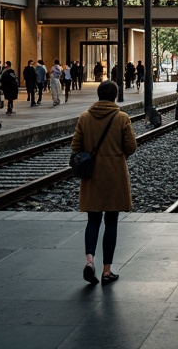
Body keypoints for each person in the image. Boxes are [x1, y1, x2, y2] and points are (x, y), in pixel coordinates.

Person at [73, 81, 137, 284]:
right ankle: (107, 270)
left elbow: (75, 147)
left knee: (93, 221)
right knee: (111, 221)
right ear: (115, 96)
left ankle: (90, 261)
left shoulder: (84, 117)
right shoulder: (122, 118)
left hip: (91, 176)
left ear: (98, 95)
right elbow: (131, 147)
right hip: (114, 175)